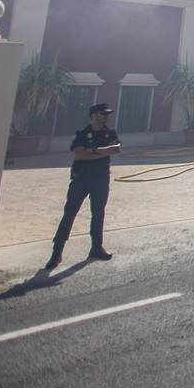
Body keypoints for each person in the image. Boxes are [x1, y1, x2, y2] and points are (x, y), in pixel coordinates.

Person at [44, 102, 121, 270]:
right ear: (93, 114)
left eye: (107, 113)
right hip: (81, 178)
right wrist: (102, 151)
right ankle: (56, 252)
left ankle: (96, 247)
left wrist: (93, 151)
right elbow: (79, 155)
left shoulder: (110, 133)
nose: (106, 116)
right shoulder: (82, 133)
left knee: (98, 213)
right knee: (70, 213)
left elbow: (116, 149)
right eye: (103, 113)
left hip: (101, 179)